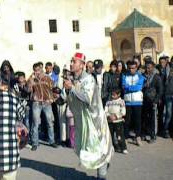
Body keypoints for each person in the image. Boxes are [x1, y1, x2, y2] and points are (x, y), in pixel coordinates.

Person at [64, 52, 113, 180]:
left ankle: (101, 176)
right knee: (89, 148)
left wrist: (73, 88)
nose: (71, 64)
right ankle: (102, 171)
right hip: (84, 121)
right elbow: (71, 100)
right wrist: (66, 91)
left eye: (74, 61)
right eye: (71, 61)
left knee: (99, 147)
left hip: (95, 120)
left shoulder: (89, 79)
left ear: (82, 65)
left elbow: (87, 98)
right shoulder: (75, 80)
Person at [28, 62, 58, 151]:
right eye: (35, 70)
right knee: (35, 123)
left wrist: (53, 98)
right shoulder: (32, 79)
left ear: (41, 69)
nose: (37, 72)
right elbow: (28, 90)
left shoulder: (47, 78)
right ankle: (35, 142)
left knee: (50, 122)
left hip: (46, 102)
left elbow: (53, 88)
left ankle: (51, 141)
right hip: (36, 102)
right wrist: (30, 81)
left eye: (39, 70)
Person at [122, 60, 145, 146]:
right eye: (130, 68)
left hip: (137, 102)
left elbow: (138, 87)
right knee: (127, 121)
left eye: (133, 68)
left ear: (136, 68)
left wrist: (129, 87)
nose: (131, 70)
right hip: (127, 102)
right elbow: (123, 86)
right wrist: (131, 87)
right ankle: (126, 137)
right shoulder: (124, 76)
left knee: (137, 121)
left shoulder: (140, 76)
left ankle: (137, 137)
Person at [142, 60, 163, 143]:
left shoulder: (157, 77)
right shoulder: (143, 76)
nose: (148, 69)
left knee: (153, 119)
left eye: (149, 68)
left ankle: (153, 136)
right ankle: (146, 132)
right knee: (145, 118)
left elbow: (160, 90)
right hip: (145, 100)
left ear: (153, 67)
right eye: (146, 68)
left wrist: (156, 100)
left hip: (153, 101)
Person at [105, 88, 128, 154]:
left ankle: (123, 148)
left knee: (119, 135)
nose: (112, 96)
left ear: (119, 94)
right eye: (112, 94)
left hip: (118, 121)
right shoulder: (108, 101)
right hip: (110, 121)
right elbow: (105, 111)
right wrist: (109, 116)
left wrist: (116, 116)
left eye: (114, 95)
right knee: (110, 135)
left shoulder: (121, 101)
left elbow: (123, 112)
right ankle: (111, 147)